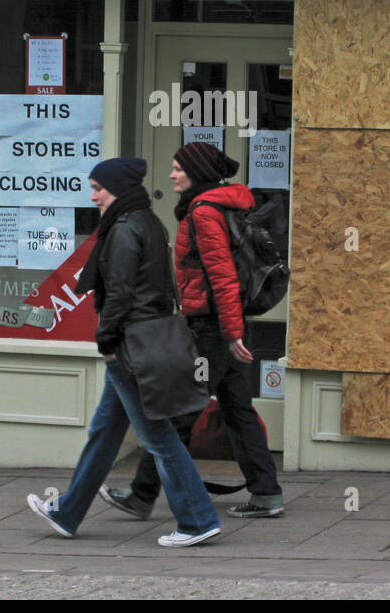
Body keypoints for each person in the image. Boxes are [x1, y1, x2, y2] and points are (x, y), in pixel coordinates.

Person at [26, 157, 221, 547]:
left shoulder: (126, 227)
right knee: (104, 432)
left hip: (130, 347)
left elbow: (119, 292)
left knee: (158, 438)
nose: (94, 194)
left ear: (116, 187)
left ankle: (198, 520)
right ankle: (67, 513)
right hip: (140, 342)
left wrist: (106, 342)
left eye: (99, 187)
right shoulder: (144, 219)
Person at [101, 141, 284, 520]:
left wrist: (232, 334)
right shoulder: (215, 206)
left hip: (213, 329)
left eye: (178, 169)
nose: (171, 175)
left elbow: (222, 276)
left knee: (181, 411)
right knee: (238, 411)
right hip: (221, 326)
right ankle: (266, 493)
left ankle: (142, 494)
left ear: (197, 172)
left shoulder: (203, 212)